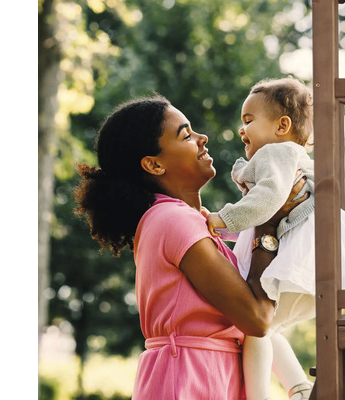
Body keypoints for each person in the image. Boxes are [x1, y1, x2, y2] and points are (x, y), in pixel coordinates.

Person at [74, 94, 308, 400]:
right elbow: (257, 318)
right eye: (186, 135)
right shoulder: (173, 220)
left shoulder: (188, 221)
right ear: (154, 164)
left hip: (205, 373)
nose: (202, 138)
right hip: (189, 378)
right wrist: (269, 222)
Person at [206, 77, 345, 400]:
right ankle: (300, 389)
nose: (241, 129)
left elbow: (269, 200)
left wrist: (223, 219)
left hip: (296, 253)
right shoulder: (293, 156)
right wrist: (225, 227)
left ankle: (261, 396)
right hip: (306, 254)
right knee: (265, 327)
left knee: (255, 327)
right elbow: (262, 213)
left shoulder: (276, 154)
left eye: (248, 120)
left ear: (282, 126)